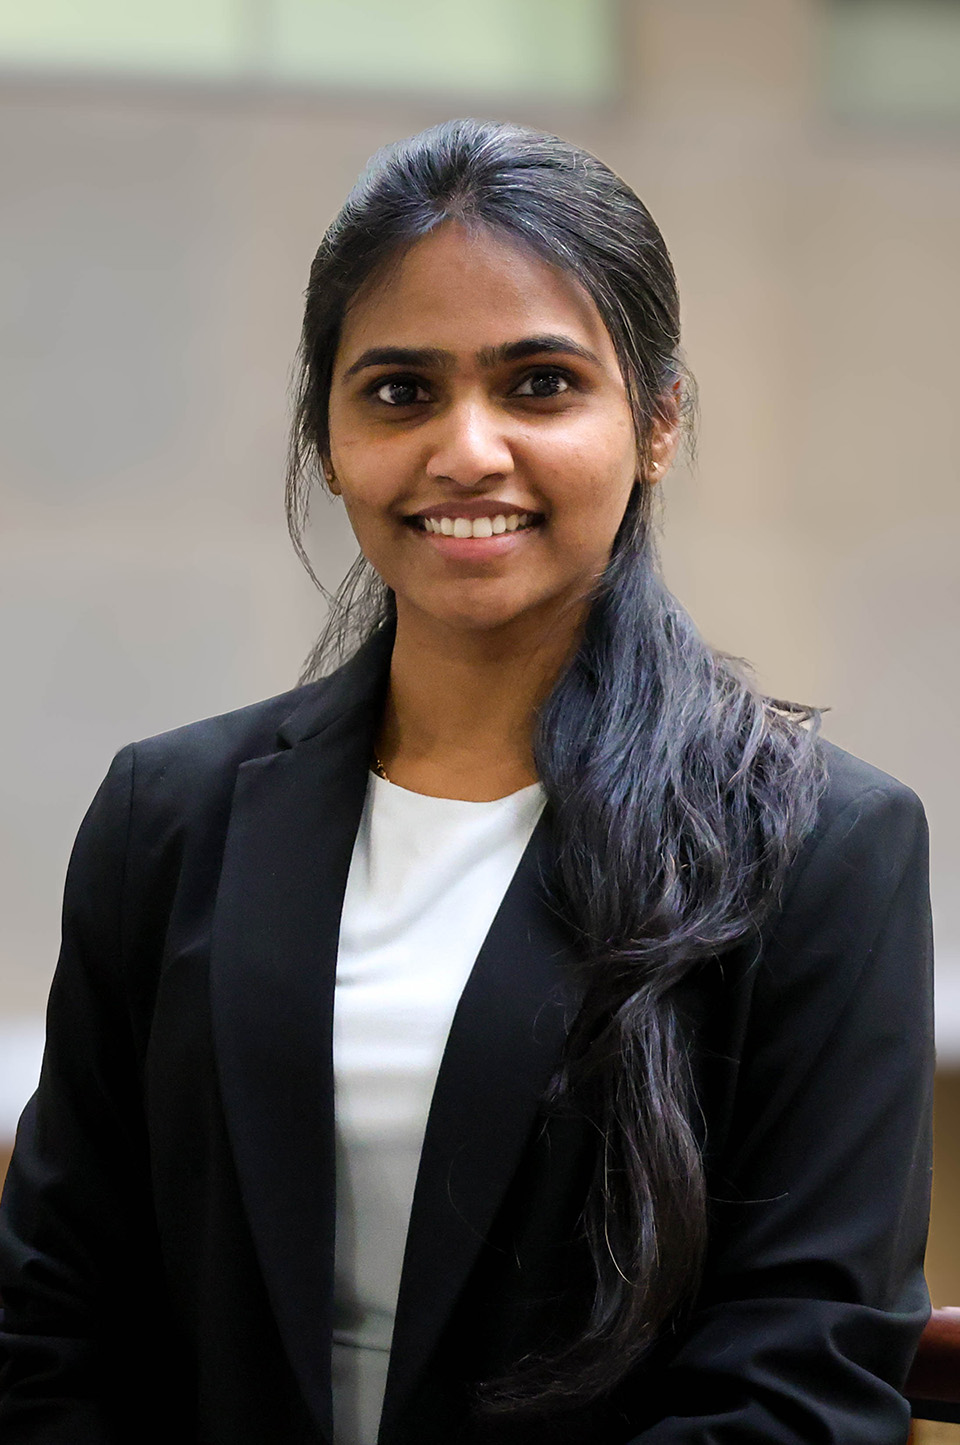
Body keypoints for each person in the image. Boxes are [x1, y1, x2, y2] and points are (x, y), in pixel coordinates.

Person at [0, 119, 934, 1445]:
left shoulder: (822, 846)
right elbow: (53, 1316)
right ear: (328, 433)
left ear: (657, 421)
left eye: (541, 385)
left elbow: (802, 1379)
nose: (468, 450)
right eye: (400, 391)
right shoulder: (171, 817)